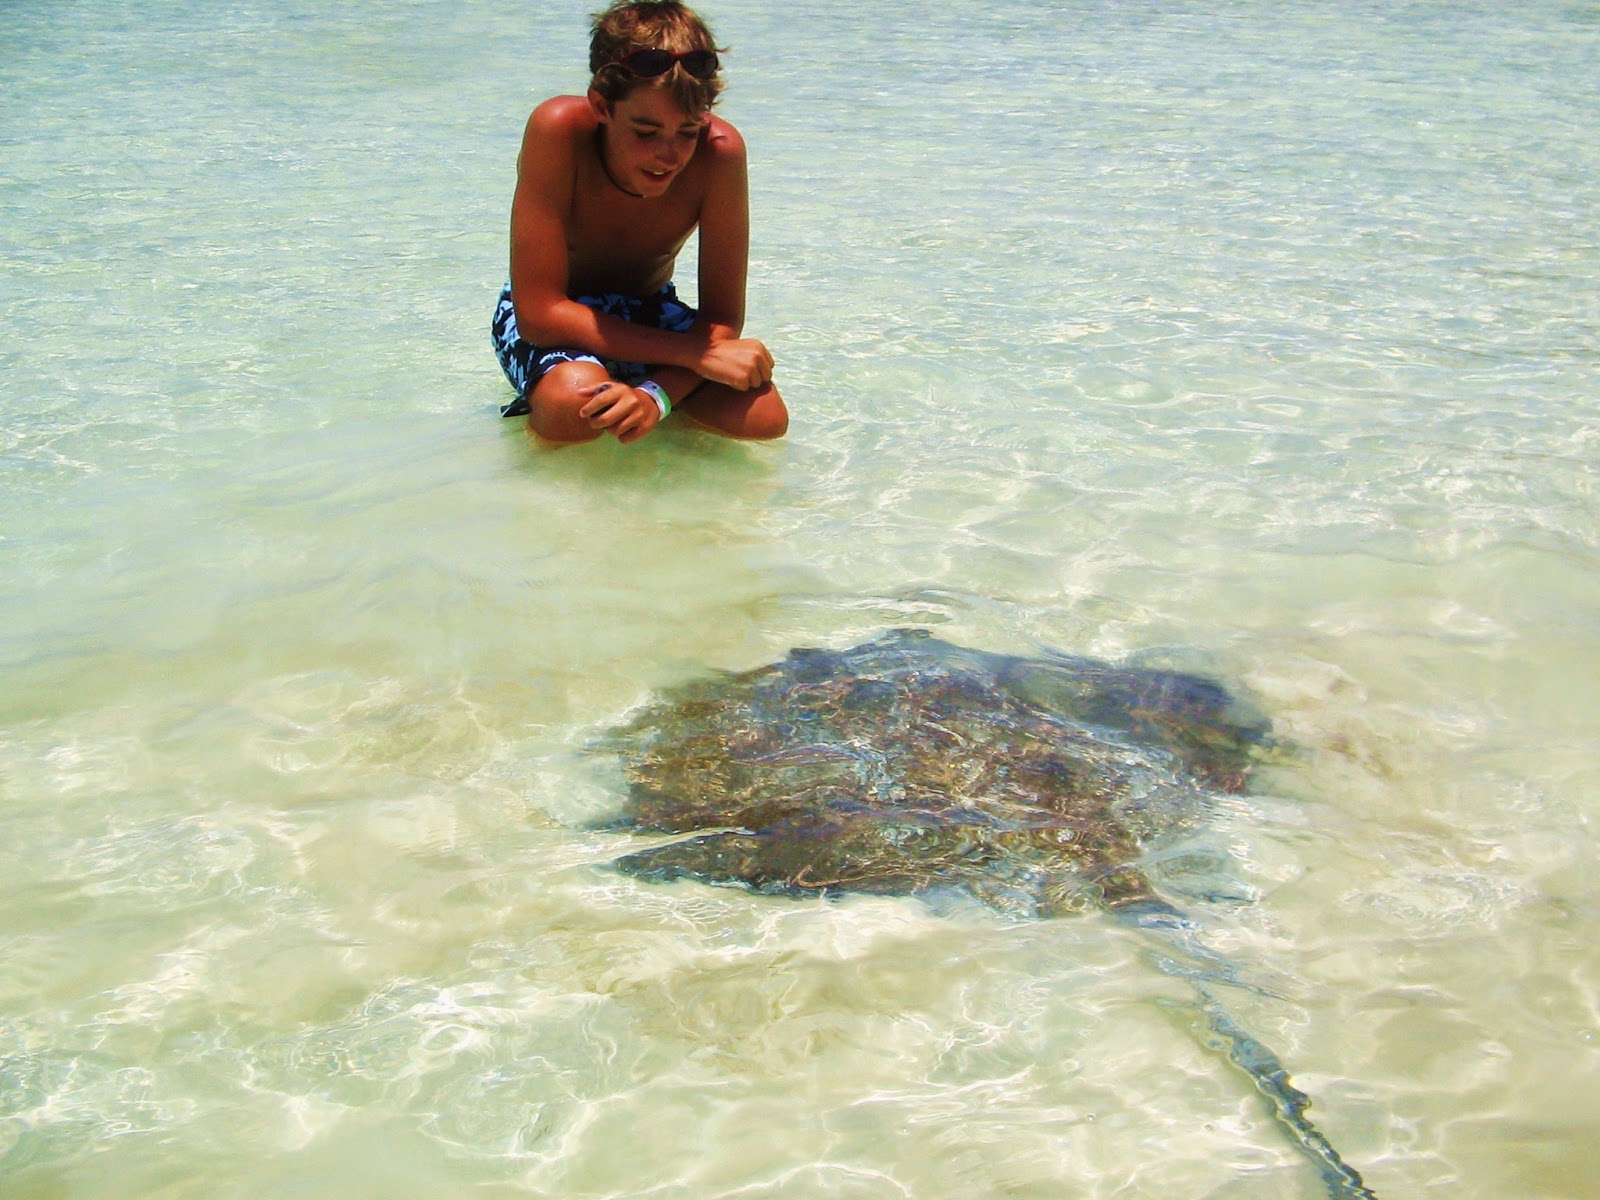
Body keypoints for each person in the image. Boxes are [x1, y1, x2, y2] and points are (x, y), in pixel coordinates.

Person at [491, 0, 788, 444]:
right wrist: (693, 355)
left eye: (688, 131)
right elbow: (539, 314)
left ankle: (653, 434)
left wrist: (656, 397)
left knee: (763, 418)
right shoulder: (557, 131)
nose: (668, 156)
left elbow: (722, 319)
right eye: (646, 133)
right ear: (602, 105)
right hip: (558, 317)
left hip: (648, 312)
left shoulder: (720, 155)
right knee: (575, 403)